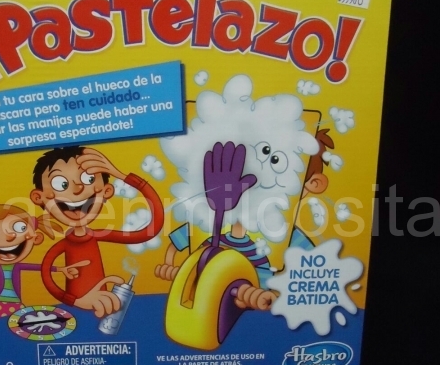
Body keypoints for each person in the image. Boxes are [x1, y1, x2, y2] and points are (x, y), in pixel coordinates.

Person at [156, 129, 335, 311]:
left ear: (313, 184)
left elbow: (313, 274)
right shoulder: (206, 223)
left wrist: (273, 295)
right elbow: (175, 246)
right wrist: (170, 267)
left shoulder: (287, 237)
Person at [30, 145, 164, 318]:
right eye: (61, 184)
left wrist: (120, 175)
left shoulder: (99, 235)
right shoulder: (63, 245)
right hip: (71, 312)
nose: (77, 189)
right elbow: (46, 274)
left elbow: (152, 228)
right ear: (39, 197)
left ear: (107, 191)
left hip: (106, 306)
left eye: (88, 178)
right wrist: (76, 301)